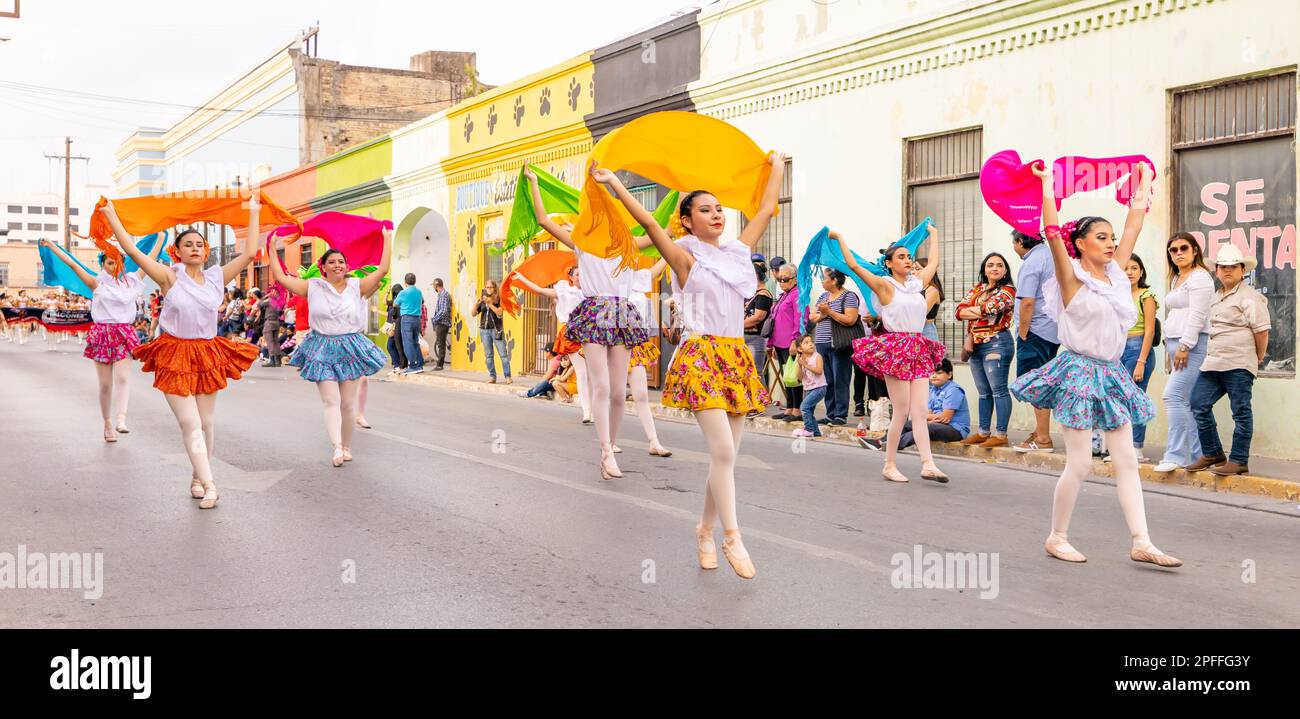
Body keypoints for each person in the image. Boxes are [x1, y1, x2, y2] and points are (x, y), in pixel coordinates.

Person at [596, 152, 786, 580]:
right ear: (687, 220)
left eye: (719, 208)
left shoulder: (739, 253)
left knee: (728, 458)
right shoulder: (684, 257)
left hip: (735, 355)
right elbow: (647, 224)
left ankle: (703, 529)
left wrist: (776, 166)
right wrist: (614, 183)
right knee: (721, 451)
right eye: (705, 209)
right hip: (701, 355)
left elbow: (767, 208)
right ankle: (732, 535)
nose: (716, 214)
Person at [1010, 160, 1181, 567]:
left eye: (1111, 237)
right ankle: (1057, 536)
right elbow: (1052, 232)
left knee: (1125, 460)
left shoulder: (1117, 277)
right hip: (1078, 370)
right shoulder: (1070, 278)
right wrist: (1048, 185)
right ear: (1082, 243)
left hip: (1110, 373)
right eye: (1100, 237)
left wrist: (1143, 180)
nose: (1110, 243)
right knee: (1082, 462)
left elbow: (1135, 224)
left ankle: (1142, 540)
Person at [100, 196, 263, 510]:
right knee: (190, 423)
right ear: (177, 251)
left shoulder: (217, 277)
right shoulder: (169, 276)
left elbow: (249, 253)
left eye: (200, 244)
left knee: (206, 423)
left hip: (207, 352)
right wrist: (110, 215)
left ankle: (197, 476)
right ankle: (212, 483)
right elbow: (133, 252)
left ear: (206, 250)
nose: (195, 248)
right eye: (188, 244)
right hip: (174, 352)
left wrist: (253, 212)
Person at [523, 165, 649, 480]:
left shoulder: (628, 247)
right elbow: (543, 220)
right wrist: (535, 183)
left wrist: (677, 193)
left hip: (621, 314)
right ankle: (606, 450)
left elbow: (656, 228)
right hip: (595, 313)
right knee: (601, 384)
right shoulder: (583, 245)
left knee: (620, 392)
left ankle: (612, 446)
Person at [837, 226, 948, 483]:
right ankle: (889, 464)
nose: (908, 260)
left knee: (919, 410)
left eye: (909, 256)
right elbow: (853, 265)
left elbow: (933, 262)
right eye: (901, 257)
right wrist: (840, 237)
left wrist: (933, 234)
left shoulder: (916, 285)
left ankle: (928, 464)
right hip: (896, 348)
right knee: (901, 410)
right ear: (888, 263)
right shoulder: (885, 287)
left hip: (918, 347)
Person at [271, 234, 392, 467]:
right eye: (332, 262)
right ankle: (336, 446)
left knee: (348, 403)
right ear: (323, 267)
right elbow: (280, 276)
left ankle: (346, 446)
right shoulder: (313, 287)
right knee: (331, 400)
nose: (338, 265)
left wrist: (386, 236)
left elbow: (383, 269)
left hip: (351, 346)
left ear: (346, 266)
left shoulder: (357, 285)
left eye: (341, 262)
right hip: (323, 346)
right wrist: (272, 248)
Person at [39, 236, 165, 442]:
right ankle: (107, 423)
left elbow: (149, 259)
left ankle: (121, 419)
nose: (115, 266)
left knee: (123, 378)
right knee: (105, 385)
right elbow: (73, 264)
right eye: (110, 262)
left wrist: (159, 237)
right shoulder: (96, 283)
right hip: (103, 333)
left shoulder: (132, 281)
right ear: (103, 264)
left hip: (125, 332)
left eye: (118, 261)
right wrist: (52, 246)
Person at [1186, 245, 1271, 476]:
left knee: (1241, 411)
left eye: (1233, 267)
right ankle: (1213, 452)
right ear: (1217, 270)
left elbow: (1262, 331)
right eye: (1223, 267)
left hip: (1238, 363)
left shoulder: (1250, 298)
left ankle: (1239, 460)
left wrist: (1259, 356)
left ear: (1242, 270)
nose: (1227, 271)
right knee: (1198, 403)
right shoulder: (1216, 297)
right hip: (1213, 363)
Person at [1152, 232, 1214, 473]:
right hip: (1177, 344)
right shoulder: (1178, 277)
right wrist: (1173, 346)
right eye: (1173, 250)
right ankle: (1198, 455)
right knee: (1185, 401)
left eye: (1183, 248)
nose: (1178, 253)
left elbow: (1198, 315)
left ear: (1195, 250)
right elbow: (1177, 315)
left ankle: (1176, 455)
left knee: (1172, 396)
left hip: (1192, 344)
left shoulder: (1199, 278)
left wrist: (1185, 346)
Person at [511, 264, 593, 423]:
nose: (580, 277)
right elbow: (539, 290)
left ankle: (594, 410)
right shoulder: (564, 292)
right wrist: (522, 278)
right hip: (572, 334)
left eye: (583, 274)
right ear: (570, 277)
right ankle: (587, 411)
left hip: (591, 333)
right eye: (577, 274)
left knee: (593, 374)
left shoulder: (591, 292)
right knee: (582, 373)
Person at [955, 252, 1017, 448]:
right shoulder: (978, 289)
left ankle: (1001, 434)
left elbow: (991, 308)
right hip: (976, 346)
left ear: (1005, 270)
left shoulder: (1008, 290)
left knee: (998, 390)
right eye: (990, 265)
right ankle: (983, 432)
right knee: (984, 392)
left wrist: (973, 311)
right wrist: (977, 310)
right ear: (984, 269)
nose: (995, 268)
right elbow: (959, 311)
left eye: (999, 265)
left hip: (997, 342)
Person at [1011, 229, 1060, 454]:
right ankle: (1040, 432)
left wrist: (1023, 332)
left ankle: (1042, 438)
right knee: (1043, 381)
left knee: (1036, 383)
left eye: (1014, 243)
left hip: (1036, 330)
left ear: (1020, 242)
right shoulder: (1050, 255)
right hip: (1052, 329)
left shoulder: (1032, 262)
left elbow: (1027, 302)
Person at [1107, 253, 1158, 462]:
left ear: (1141, 271)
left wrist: (1141, 362)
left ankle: (1136, 447)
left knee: (1135, 399)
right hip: (1119, 349)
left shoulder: (1146, 296)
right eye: (1126, 268)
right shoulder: (1116, 296)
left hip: (1138, 350)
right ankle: (1120, 449)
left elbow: (1150, 332)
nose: (1129, 272)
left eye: (1134, 268)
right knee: (1118, 399)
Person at [860, 359, 969, 450]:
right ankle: (882, 441)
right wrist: (931, 418)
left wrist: (929, 418)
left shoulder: (953, 390)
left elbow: (945, 417)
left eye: (938, 373)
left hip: (956, 430)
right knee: (907, 424)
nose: (934, 376)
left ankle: (891, 446)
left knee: (925, 427)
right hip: (938, 425)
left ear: (949, 374)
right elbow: (928, 413)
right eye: (931, 373)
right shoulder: (933, 389)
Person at [806, 268, 858, 426]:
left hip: (839, 343)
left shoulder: (849, 296)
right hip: (822, 343)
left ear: (834, 280)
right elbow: (812, 317)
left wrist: (829, 312)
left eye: (824, 278)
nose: (821, 281)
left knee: (840, 379)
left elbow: (850, 319)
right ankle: (830, 413)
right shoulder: (823, 296)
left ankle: (840, 415)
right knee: (826, 380)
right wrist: (824, 314)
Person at [768, 264, 804, 422]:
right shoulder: (784, 295)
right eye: (779, 279)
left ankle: (797, 410)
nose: (782, 282)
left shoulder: (797, 294)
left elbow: (800, 319)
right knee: (786, 376)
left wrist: (795, 341)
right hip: (779, 342)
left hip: (790, 342)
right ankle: (789, 407)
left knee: (794, 377)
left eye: (785, 279)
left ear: (794, 279)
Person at [742, 261, 774, 412]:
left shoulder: (764, 295)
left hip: (755, 338)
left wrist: (737, 324)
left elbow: (758, 317)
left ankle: (758, 405)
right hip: (743, 337)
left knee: (756, 372)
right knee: (744, 372)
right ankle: (748, 403)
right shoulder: (749, 293)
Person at [472, 279, 511, 384]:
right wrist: (477, 304)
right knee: (489, 355)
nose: (488, 289)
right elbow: (473, 314)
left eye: (490, 287)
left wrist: (490, 304)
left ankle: (507, 376)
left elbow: (499, 314)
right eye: (487, 287)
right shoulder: (483, 300)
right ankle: (492, 377)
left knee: (503, 354)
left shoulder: (499, 300)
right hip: (484, 331)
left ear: (494, 288)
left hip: (496, 330)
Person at [790, 334, 826, 439]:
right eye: (806, 343)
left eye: (811, 342)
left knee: (804, 407)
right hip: (807, 389)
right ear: (800, 349)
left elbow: (819, 371)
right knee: (809, 411)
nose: (810, 344)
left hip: (819, 388)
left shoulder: (817, 356)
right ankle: (816, 432)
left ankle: (808, 429)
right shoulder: (801, 359)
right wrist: (800, 365)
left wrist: (806, 365)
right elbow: (800, 378)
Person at [394, 273, 425, 374]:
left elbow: (395, 304)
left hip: (407, 319)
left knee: (408, 343)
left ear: (405, 282)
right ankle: (419, 364)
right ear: (415, 281)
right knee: (415, 342)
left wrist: (404, 305)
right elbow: (422, 302)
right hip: (417, 319)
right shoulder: (419, 292)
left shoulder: (403, 292)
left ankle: (413, 365)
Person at [259, 286, 286, 367]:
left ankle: (272, 360)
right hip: (276, 322)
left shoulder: (269, 301)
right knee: (276, 341)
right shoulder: (280, 302)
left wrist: (265, 296)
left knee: (270, 342)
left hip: (269, 322)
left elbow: (259, 304)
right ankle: (278, 361)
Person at [384, 284, 408, 375]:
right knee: (397, 345)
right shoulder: (400, 299)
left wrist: (392, 328)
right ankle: (399, 364)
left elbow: (385, 302)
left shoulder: (398, 300)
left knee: (394, 345)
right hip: (397, 324)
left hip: (396, 325)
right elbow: (386, 303)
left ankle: (399, 365)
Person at [429, 278, 452, 371]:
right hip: (443, 323)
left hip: (442, 323)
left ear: (436, 285)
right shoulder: (443, 294)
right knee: (440, 343)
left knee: (441, 344)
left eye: (434, 285)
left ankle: (440, 365)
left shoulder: (442, 295)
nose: (433, 287)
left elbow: (443, 310)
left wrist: (434, 319)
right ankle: (440, 363)